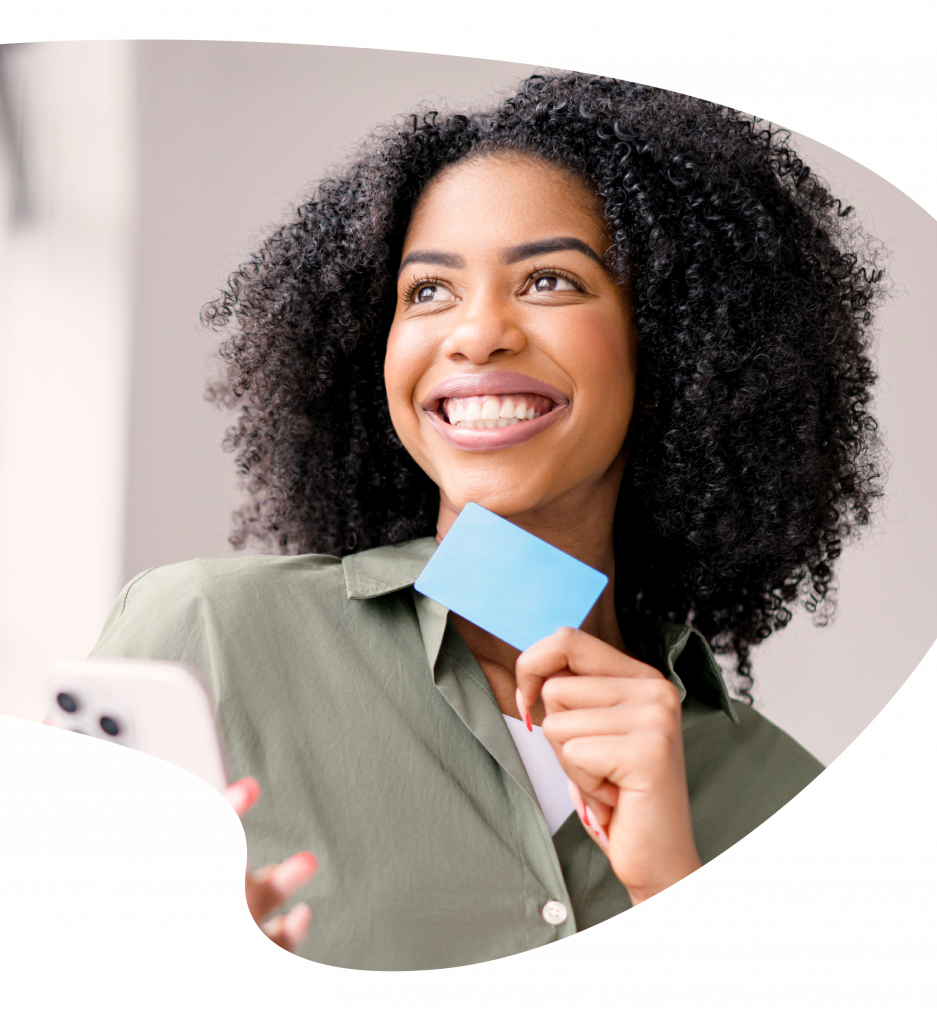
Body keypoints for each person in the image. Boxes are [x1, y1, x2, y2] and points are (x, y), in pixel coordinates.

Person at [91, 73, 884, 970]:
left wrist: (668, 879)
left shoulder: (776, 792)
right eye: (427, 291)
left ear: (669, 339)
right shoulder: (208, 641)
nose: (476, 334)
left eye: (549, 280)